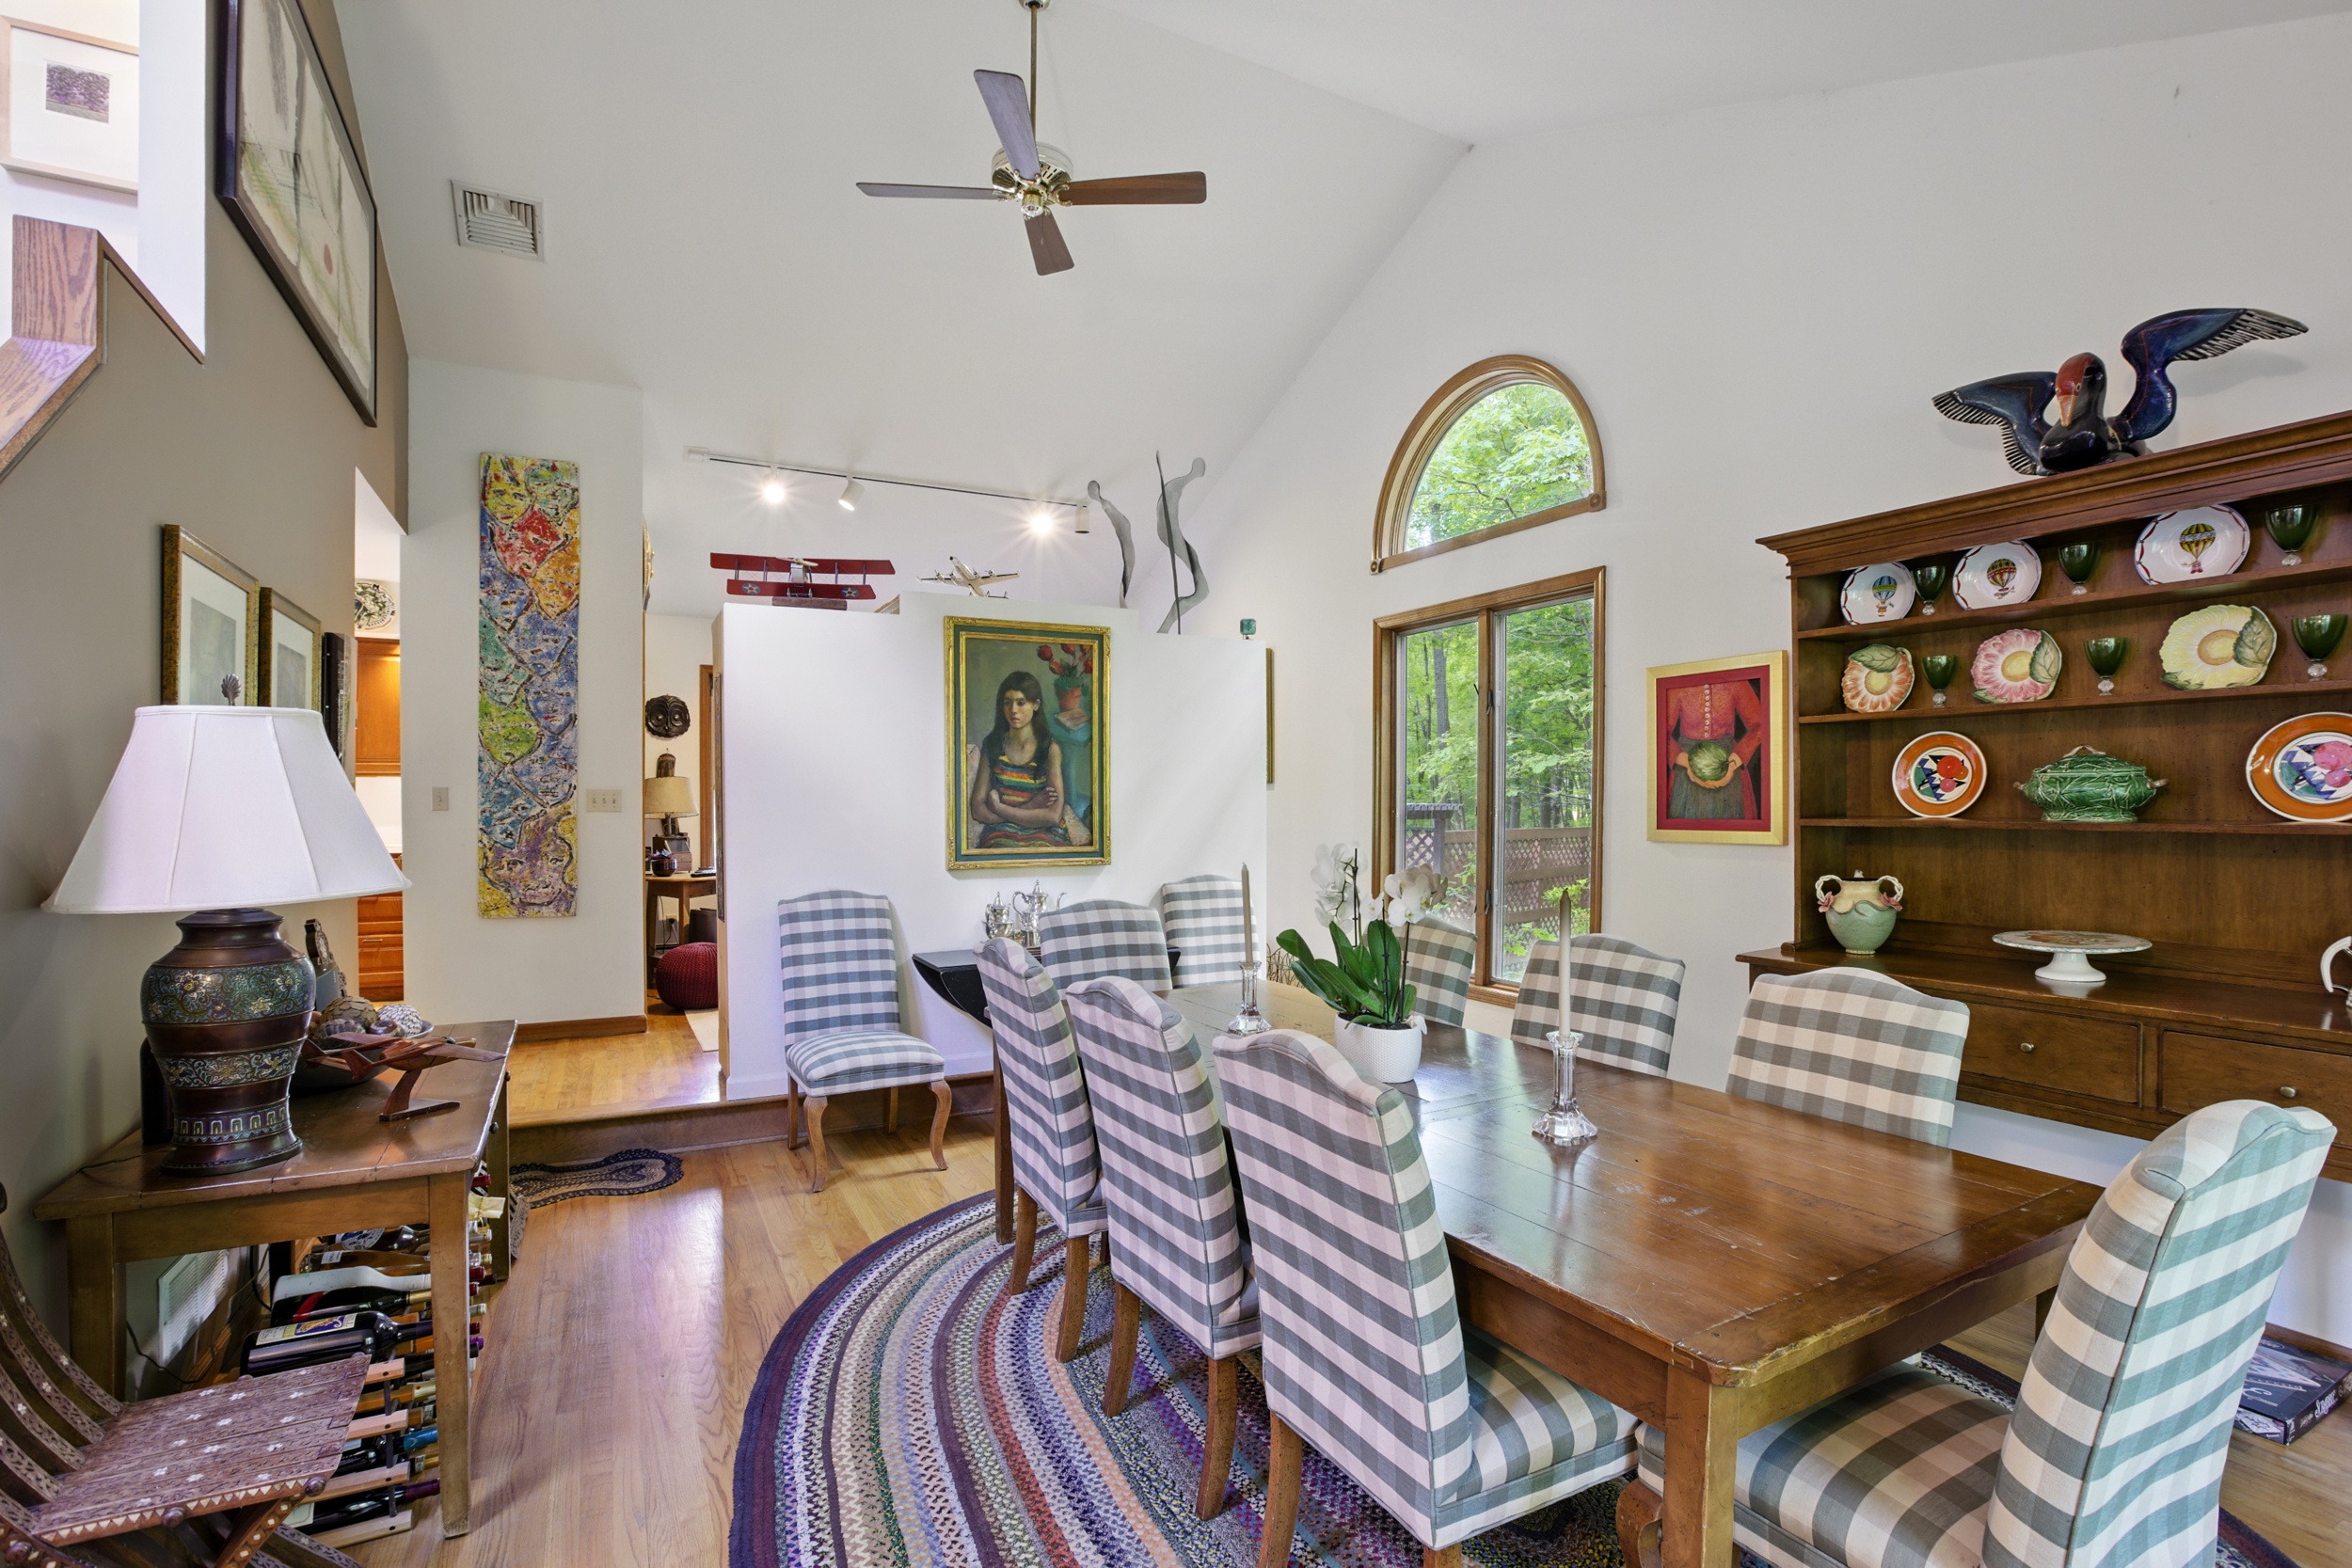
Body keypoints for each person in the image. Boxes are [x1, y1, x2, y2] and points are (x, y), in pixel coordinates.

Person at [967, 671, 1087, 848]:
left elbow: (1052, 816)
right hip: (1001, 832)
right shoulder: (993, 745)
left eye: (1021, 703)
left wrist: (1000, 809)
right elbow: (977, 808)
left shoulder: (1049, 750)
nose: (1013, 710)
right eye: (1008, 703)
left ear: (1036, 705)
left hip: (1045, 831)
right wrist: (1030, 807)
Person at [1665, 675, 1765, 820]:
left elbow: (1761, 725)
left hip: (1728, 764)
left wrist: (1732, 764)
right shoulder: (1678, 685)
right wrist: (1689, 764)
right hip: (1686, 766)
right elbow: (1658, 733)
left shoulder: (1737, 681)